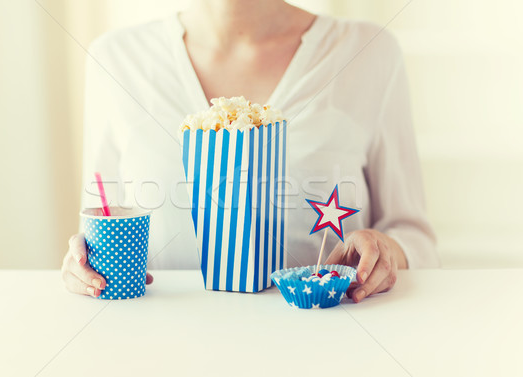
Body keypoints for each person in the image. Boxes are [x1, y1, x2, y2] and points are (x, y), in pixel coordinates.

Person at [61, 0, 439, 302]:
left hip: (325, 347)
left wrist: (388, 252)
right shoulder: (114, 59)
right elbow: (99, 219)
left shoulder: (369, 52)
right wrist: (84, 263)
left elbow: (414, 236)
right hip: (162, 347)